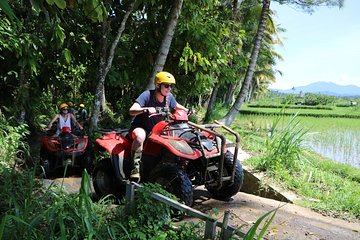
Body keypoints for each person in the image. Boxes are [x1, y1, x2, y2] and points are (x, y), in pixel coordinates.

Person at [128, 71, 188, 179]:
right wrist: (145, 109)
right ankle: (135, 169)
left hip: (158, 130)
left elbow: (176, 106)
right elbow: (132, 110)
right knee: (140, 136)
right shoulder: (147, 95)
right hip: (142, 127)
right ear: (157, 85)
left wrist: (186, 110)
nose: (169, 89)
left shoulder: (168, 97)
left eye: (170, 86)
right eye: (166, 86)